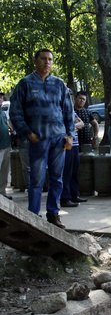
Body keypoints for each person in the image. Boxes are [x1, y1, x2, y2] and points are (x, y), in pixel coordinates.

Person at [9, 48, 74, 228]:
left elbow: (69, 111)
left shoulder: (59, 84)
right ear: (35, 61)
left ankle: (53, 214)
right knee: (36, 180)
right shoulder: (25, 84)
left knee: (57, 178)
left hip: (58, 140)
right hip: (37, 140)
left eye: (50, 59)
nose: (47, 62)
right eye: (43, 59)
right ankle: (33, 216)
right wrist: (27, 133)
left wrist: (70, 135)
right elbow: (15, 113)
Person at [60, 105, 86, 208]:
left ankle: (74, 194)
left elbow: (82, 124)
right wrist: (73, 125)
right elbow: (63, 126)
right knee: (67, 172)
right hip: (66, 144)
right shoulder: (60, 111)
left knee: (75, 171)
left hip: (75, 145)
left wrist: (71, 126)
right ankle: (65, 198)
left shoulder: (72, 111)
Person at [0, 106, 11, 200]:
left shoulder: (3, 113)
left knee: (4, 171)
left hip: (6, 144)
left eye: (1, 97)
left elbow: (6, 124)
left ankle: (2, 192)